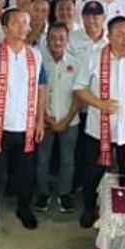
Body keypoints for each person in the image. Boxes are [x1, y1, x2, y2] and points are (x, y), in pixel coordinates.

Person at [74, 16, 125, 228]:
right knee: (93, 171)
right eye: (120, 34)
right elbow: (79, 88)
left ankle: (124, 213)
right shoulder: (93, 58)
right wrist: (100, 104)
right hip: (98, 129)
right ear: (109, 36)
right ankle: (89, 209)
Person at [0, 8, 47, 230]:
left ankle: (24, 208)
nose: (24, 27)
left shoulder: (35, 54)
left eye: (26, 23)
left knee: (25, 172)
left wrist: (40, 120)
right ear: (5, 28)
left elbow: (42, 88)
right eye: (17, 23)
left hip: (25, 125)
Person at [35, 22, 82, 213]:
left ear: (67, 40)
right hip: (44, 121)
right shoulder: (40, 62)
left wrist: (66, 120)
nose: (57, 42)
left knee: (67, 160)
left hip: (69, 121)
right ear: (46, 41)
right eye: (53, 38)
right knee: (42, 159)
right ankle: (43, 193)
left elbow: (80, 94)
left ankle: (65, 193)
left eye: (61, 38)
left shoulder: (76, 63)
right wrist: (45, 117)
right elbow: (35, 93)